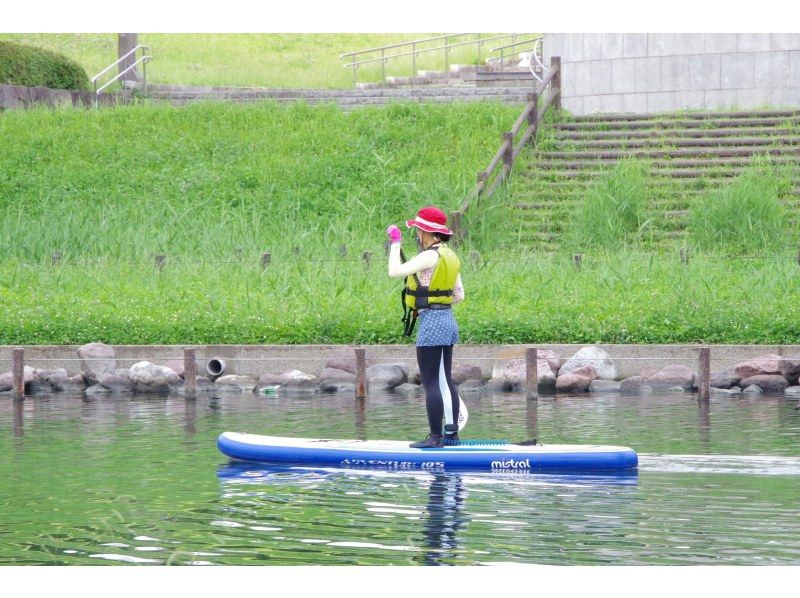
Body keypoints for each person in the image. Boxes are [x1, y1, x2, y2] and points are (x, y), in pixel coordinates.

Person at [386, 206, 465, 448]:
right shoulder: (450, 256)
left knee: (431, 382)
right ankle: (451, 434)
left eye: (418, 230)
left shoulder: (429, 256)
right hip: (448, 320)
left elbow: (394, 272)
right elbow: (458, 296)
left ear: (427, 233)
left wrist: (395, 244)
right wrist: (435, 299)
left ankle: (435, 437)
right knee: (445, 380)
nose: (417, 234)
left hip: (431, 323)